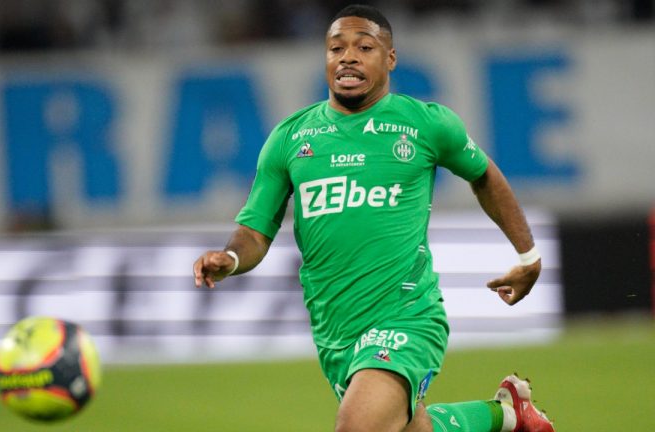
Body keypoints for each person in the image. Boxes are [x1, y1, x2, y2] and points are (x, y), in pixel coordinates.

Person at [193, 4, 554, 432]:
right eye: (336, 48)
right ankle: (507, 415)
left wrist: (528, 256)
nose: (348, 56)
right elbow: (255, 231)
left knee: (357, 427)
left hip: (407, 314)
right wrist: (231, 259)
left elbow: (484, 176)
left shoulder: (424, 124)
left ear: (390, 59)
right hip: (335, 330)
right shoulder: (290, 138)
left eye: (364, 47)